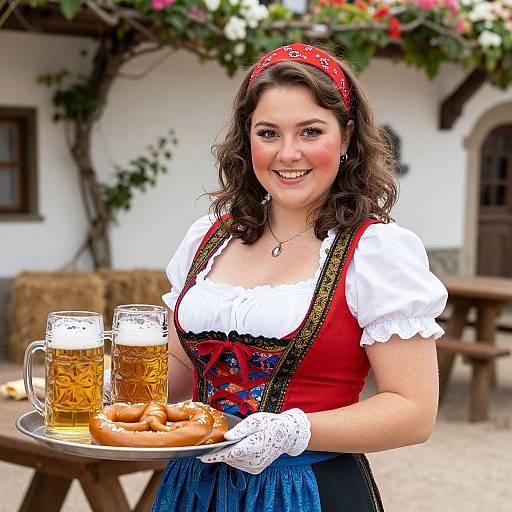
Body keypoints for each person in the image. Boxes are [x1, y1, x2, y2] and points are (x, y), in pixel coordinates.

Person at [153, 43, 448, 512]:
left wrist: (292, 430)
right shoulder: (207, 239)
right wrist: (105, 386)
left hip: (308, 491)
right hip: (195, 489)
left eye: (311, 131)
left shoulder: (376, 252)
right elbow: (181, 371)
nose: (288, 154)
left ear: (347, 135)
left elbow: (413, 413)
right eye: (268, 132)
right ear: (247, 139)